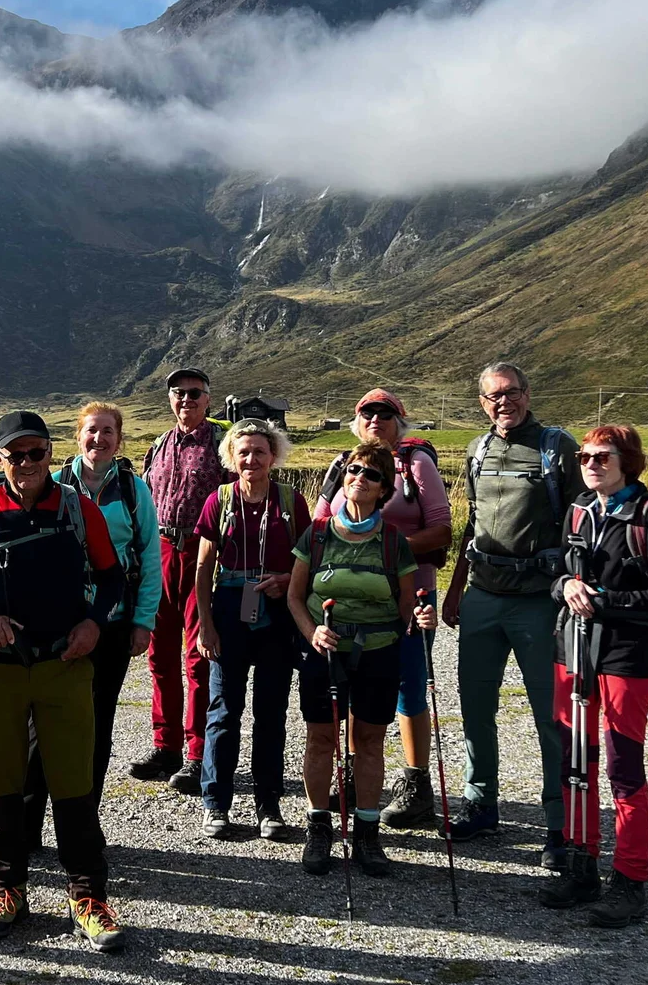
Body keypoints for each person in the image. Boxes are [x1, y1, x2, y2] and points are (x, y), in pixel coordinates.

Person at [0, 412, 130, 952]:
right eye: (14, 455)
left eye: (36, 453)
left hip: (64, 664)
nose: (26, 464)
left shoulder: (76, 507)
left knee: (74, 782)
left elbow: (113, 580)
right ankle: (6, 888)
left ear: (49, 453)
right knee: (1, 783)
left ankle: (88, 895)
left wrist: (94, 623)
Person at [541, 424, 648, 927]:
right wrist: (565, 586)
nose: (591, 464)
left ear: (629, 462)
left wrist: (605, 601)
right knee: (575, 761)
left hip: (626, 655)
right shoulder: (579, 510)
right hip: (572, 648)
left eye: (603, 456)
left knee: (623, 767)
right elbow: (558, 571)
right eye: (584, 456)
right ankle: (582, 865)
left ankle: (630, 880)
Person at [439, 362, 578, 867]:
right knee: (475, 708)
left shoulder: (555, 447)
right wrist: (454, 590)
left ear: (528, 392)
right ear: (482, 402)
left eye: (513, 392)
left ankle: (559, 825)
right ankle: (480, 805)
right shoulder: (478, 450)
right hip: (482, 595)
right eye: (494, 396)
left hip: (540, 601)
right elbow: (471, 525)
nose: (505, 402)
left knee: (550, 717)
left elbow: (580, 522)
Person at [286, 440, 433, 878]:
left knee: (368, 740)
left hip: (378, 651)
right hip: (325, 651)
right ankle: (319, 827)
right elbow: (296, 597)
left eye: (370, 474)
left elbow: (406, 605)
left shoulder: (393, 542)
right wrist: (314, 633)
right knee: (320, 739)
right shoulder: (315, 534)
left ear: (384, 489)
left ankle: (367, 833)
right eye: (353, 470)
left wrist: (420, 619)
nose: (358, 478)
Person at [312, 390, 453, 829]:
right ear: (356, 422)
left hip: (408, 599)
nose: (375, 418)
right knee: (352, 687)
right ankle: (356, 774)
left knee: (409, 688)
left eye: (386, 413)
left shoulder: (417, 464)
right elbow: (318, 529)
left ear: (400, 422)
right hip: (347, 607)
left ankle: (416, 784)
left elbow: (443, 530)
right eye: (366, 412)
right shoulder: (344, 466)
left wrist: (382, 551)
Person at [25, 403, 163, 840]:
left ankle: (83, 822)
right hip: (54, 622)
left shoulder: (133, 489)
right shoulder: (54, 483)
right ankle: (28, 823)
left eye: (107, 432)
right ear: (77, 436)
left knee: (97, 723)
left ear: (119, 440)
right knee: (39, 722)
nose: (98, 439)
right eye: (91, 431)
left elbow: (150, 559)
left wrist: (143, 621)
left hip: (112, 622)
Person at [193, 418, 311, 839]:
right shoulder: (219, 500)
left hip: (276, 612)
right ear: (230, 457)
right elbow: (203, 567)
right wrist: (205, 626)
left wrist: (285, 581)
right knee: (224, 710)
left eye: (259, 451)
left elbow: (306, 561)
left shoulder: (291, 501)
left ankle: (269, 805)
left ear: (273, 455)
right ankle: (215, 803)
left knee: (272, 712)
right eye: (243, 452)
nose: (251, 459)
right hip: (228, 608)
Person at [131, 366, 230, 795]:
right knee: (160, 654)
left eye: (194, 393)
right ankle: (165, 747)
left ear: (209, 399)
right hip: (161, 551)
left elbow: (235, 500)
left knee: (197, 656)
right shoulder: (158, 445)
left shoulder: (221, 446)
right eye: (178, 393)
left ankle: (196, 754)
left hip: (202, 551)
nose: (185, 400)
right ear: (169, 399)